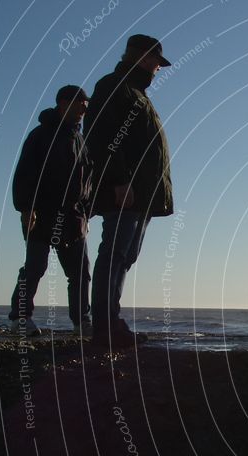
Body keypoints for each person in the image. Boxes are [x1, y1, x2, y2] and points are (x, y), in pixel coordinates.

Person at [84, 34, 174, 347]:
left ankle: (111, 322)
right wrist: (119, 179)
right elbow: (99, 135)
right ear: (142, 58)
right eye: (156, 63)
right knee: (115, 254)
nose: (158, 70)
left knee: (125, 255)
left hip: (142, 193)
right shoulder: (113, 86)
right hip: (125, 189)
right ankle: (105, 327)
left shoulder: (136, 93)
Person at [9, 85, 93, 337]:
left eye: (85, 108)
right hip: (42, 213)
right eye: (79, 106)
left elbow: (88, 178)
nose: (82, 111)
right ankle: (19, 319)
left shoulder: (79, 139)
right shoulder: (40, 135)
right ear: (63, 104)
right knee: (35, 267)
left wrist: (86, 212)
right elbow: (25, 172)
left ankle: (82, 322)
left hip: (74, 216)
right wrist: (27, 207)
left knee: (80, 271)